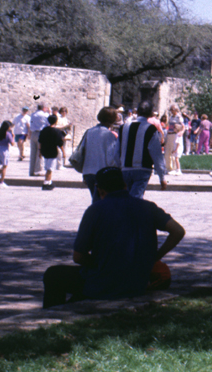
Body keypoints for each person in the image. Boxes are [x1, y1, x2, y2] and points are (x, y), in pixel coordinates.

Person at [43, 167, 185, 308]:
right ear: (124, 185)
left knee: (53, 275)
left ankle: (50, 315)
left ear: (99, 189)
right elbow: (178, 231)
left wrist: (102, 262)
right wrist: (155, 257)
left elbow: (78, 257)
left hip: (105, 281)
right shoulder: (148, 207)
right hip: (137, 282)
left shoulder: (95, 210)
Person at [118, 101, 168, 198]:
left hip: (125, 168)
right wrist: (162, 177)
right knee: (136, 199)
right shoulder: (150, 129)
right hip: (142, 169)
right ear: (151, 114)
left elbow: (116, 150)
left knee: (126, 197)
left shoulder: (124, 127)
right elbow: (156, 154)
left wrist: (117, 167)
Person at [81, 107, 121, 201]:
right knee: (102, 202)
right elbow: (111, 158)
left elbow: (83, 152)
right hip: (102, 173)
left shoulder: (89, 132)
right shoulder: (109, 135)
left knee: (96, 200)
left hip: (88, 172)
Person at [39, 114, 67, 191]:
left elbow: (40, 141)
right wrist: (63, 152)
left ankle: (49, 182)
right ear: (56, 121)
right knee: (50, 169)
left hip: (45, 150)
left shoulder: (44, 130)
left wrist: (40, 151)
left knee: (48, 167)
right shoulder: (56, 131)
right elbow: (60, 143)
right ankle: (46, 183)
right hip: (52, 151)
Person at [29, 102, 50, 177]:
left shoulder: (33, 114)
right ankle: (38, 170)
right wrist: (49, 112)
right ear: (43, 108)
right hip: (41, 134)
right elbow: (49, 123)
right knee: (40, 152)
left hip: (33, 133)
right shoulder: (45, 115)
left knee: (33, 153)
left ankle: (31, 170)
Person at [0, 120, 12, 188]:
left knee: (3, 166)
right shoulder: (8, 134)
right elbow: (12, 143)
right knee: (5, 166)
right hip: (5, 150)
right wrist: (13, 136)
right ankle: (2, 182)